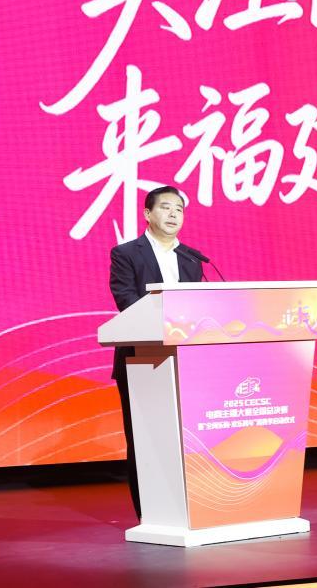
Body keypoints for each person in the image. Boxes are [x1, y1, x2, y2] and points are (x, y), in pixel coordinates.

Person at [108, 185, 205, 519]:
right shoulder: (126, 254)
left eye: (179, 209)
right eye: (166, 207)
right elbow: (127, 302)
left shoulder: (191, 259)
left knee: (188, 438)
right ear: (148, 214)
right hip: (142, 361)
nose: (174, 214)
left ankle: (190, 509)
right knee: (145, 439)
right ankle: (150, 514)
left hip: (188, 362)